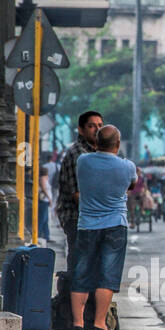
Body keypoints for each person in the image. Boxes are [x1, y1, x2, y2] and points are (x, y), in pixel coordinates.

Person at [70, 124, 135, 330]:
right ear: (117, 144)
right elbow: (131, 185)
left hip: (87, 225)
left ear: (96, 143)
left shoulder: (83, 161)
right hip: (115, 225)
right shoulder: (127, 167)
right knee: (108, 276)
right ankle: (99, 324)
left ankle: (77, 324)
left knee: (81, 272)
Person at [56, 110, 104, 296]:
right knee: (80, 264)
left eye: (100, 126)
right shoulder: (79, 154)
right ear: (81, 130)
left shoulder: (96, 153)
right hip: (76, 217)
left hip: (92, 217)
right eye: (92, 126)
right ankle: (76, 312)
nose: (97, 130)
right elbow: (78, 195)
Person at [38, 158, 52, 243]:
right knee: (43, 219)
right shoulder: (43, 179)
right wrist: (49, 198)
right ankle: (39, 234)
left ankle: (46, 236)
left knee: (45, 219)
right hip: (44, 201)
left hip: (45, 201)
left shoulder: (44, 178)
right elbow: (44, 188)